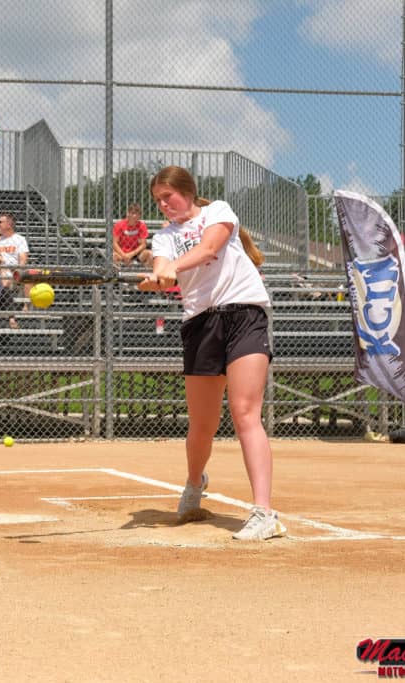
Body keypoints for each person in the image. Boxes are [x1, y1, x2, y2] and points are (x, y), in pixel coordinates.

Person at [139, 164, 283, 542]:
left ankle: (264, 512)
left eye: (168, 197)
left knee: (245, 411)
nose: (163, 205)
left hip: (245, 312)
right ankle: (194, 483)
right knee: (202, 425)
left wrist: (172, 268)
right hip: (201, 324)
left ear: (187, 191)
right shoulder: (164, 238)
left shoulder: (218, 210)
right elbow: (163, 266)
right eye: (158, 201)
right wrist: (159, 276)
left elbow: (208, 249)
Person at [112, 203, 152, 267]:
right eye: (132, 213)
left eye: (137, 214)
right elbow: (114, 243)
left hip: (136, 254)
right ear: (128, 214)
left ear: (139, 216)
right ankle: (118, 273)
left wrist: (131, 254)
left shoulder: (142, 226)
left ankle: (145, 272)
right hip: (121, 253)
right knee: (113, 256)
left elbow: (143, 244)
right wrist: (124, 255)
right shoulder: (119, 225)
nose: (134, 216)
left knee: (150, 254)